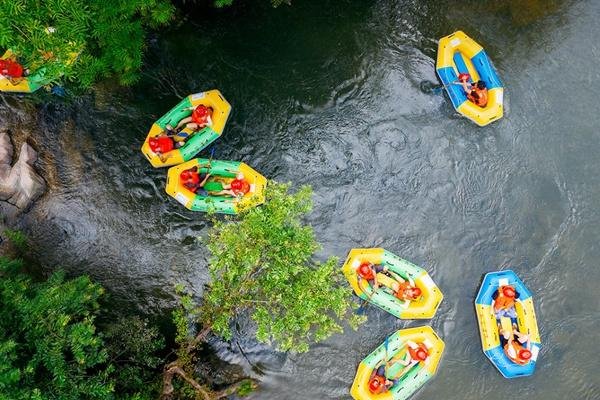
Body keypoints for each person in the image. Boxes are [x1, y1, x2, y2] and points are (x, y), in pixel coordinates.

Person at [180, 168, 251, 197]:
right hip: (197, 187)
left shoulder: (237, 190)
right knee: (205, 193)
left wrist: (231, 171)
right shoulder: (189, 183)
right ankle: (197, 194)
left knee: (207, 193)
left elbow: (240, 173)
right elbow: (201, 185)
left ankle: (213, 193)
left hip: (198, 184)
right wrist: (207, 177)